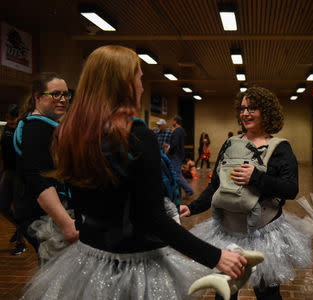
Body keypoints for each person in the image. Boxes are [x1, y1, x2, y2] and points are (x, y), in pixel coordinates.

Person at [21, 45, 246, 300]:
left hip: (88, 259)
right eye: (139, 78)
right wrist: (216, 257)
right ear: (125, 83)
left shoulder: (73, 133)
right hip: (134, 265)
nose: (141, 86)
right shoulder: (134, 135)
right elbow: (151, 218)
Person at [180, 86, 312, 300]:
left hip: (263, 233)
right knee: (225, 292)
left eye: (253, 108)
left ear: (266, 112)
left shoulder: (280, 148)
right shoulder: (231, 144)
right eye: (242, 108)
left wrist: (256, 178)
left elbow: (291, 189)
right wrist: (192, 207)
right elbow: (216, 186)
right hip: (228, 231)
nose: (245, 113)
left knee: (266, 293)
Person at [12, 73, 76, 261]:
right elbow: (38, 179)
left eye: (66, 94)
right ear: (38, 97)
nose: (63, 100)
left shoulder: (46, 126)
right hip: (45, 219)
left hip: (52, 216)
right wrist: (66, 224)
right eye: (55, 94)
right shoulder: (36, 129)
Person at [0, 104, 27, 255]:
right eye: (9, 118)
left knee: (18, 209)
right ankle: (20, 228)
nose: (11, 121)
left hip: (19, 174)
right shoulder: (6, 130)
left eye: (14, 118)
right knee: (2, 207)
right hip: (7, 171)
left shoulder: (22, 130)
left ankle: (21, 242)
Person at [168, 115, 194, 195]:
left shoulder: (177, 131)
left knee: (176, 175)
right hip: (180, 154)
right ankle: (178, 192)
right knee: (177, 174)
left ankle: (189, 190)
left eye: (173, 121)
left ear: (175, 121)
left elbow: (174, 144)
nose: (172, 122)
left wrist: (169, 151)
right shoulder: (182, 130)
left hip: (175, 155)